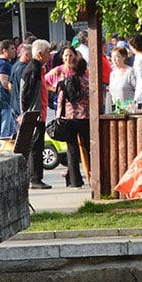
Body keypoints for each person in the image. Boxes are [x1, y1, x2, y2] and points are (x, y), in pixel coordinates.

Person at [14, 39, 52, 189]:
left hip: (38, 113)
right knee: (35, 147)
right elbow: (25, 93)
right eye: (48, 52)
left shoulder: (38, 68)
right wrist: (25, 113)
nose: (50, 55)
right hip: (34, 115)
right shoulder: (32, 70)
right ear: (40, 54)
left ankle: (36, 177)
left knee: (38, 146)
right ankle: (35, 178)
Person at [54, 53, 91, 187]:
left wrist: (59, 117)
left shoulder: (66, 83)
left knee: (72, 150)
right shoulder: (88, 84)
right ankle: (93, 174)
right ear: (84, 69)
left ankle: (75, 180)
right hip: (86, 118)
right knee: (88, 147)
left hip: (70, 119)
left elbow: (60, 102)